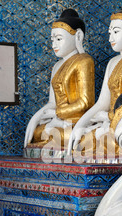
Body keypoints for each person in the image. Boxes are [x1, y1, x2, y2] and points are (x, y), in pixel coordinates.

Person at [67, 1, 122, 158]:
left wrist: (108, 118)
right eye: (109, 33)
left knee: (109, 140)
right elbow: (102, 103)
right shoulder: (112, 62)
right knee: (80, 141)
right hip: (110, 122)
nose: (111, 38)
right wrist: (79, 125)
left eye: (116, 31)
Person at [24, 9, 95, 150]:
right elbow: (53, 102)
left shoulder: (84, 61)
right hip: (58, 120)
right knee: (38, 132)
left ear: (78, 36)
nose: (53, 45)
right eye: (52, 40)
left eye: (58, 39)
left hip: (77, 120)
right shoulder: (56, 66)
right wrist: (35, 118)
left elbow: (85, 102)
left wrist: (57, 113)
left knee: (64, 135)